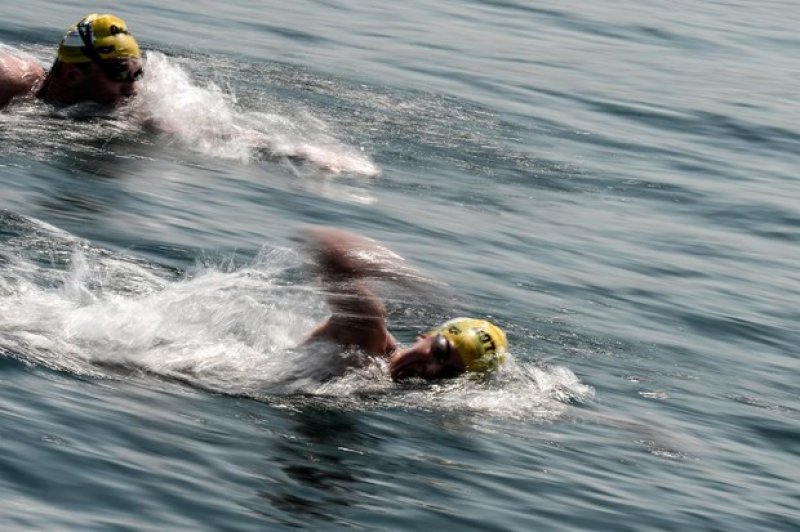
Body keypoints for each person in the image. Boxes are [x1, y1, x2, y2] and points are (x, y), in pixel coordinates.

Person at [301, 226, 508, 382]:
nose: (433, 368)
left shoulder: (396, 387)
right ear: (427, 336)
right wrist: (411, 281)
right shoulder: (367, 336)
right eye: (440, 351)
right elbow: (330, 248)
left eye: (450, 373)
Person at [0, 13, 143, 110]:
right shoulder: (10, 81)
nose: (132, 90)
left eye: (137, 74)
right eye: (119, 73)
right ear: (72, 76)